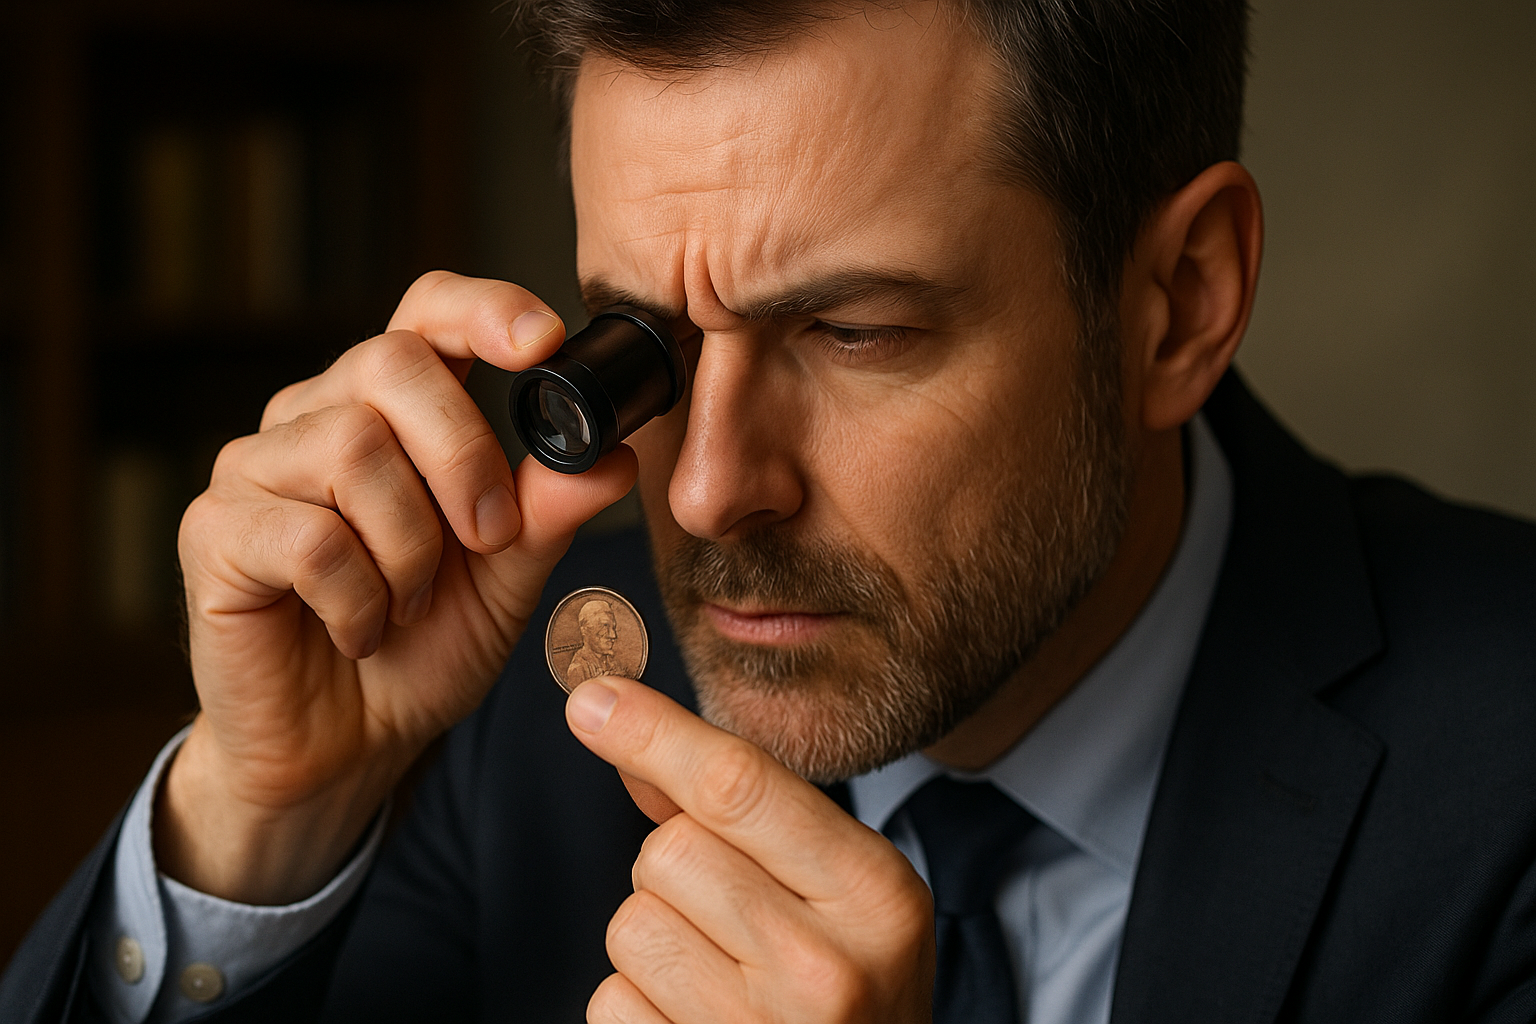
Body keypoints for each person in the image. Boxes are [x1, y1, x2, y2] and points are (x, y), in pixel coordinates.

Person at [4, 1, 1534, 1022]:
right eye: (646, 348)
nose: (709, 484)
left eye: (852, 334)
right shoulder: (510, 706)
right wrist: (255, 828)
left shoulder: (1507, 780)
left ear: (1178, 304)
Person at [565, 600, 628, 688]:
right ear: (585, 630)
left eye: (613, 627)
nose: (613, 635)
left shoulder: (613, 664)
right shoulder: (577, 670)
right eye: (605, 626)